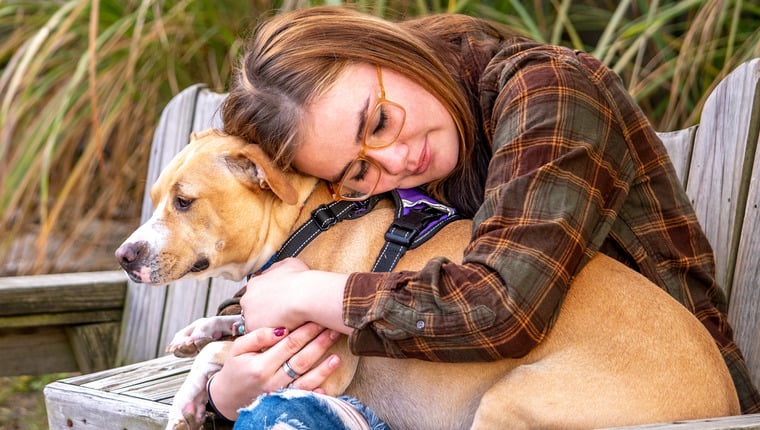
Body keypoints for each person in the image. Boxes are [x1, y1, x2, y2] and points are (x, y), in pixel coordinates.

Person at [207, 5, 760, 426]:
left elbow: (504, 307)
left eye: (377, 122)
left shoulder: (549, 93)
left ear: (387, 50)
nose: (397, 160)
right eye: (357, 173)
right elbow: (297, 269)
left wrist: (307, 295)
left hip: (660, 396)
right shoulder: (409, 161)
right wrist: (223, 391)